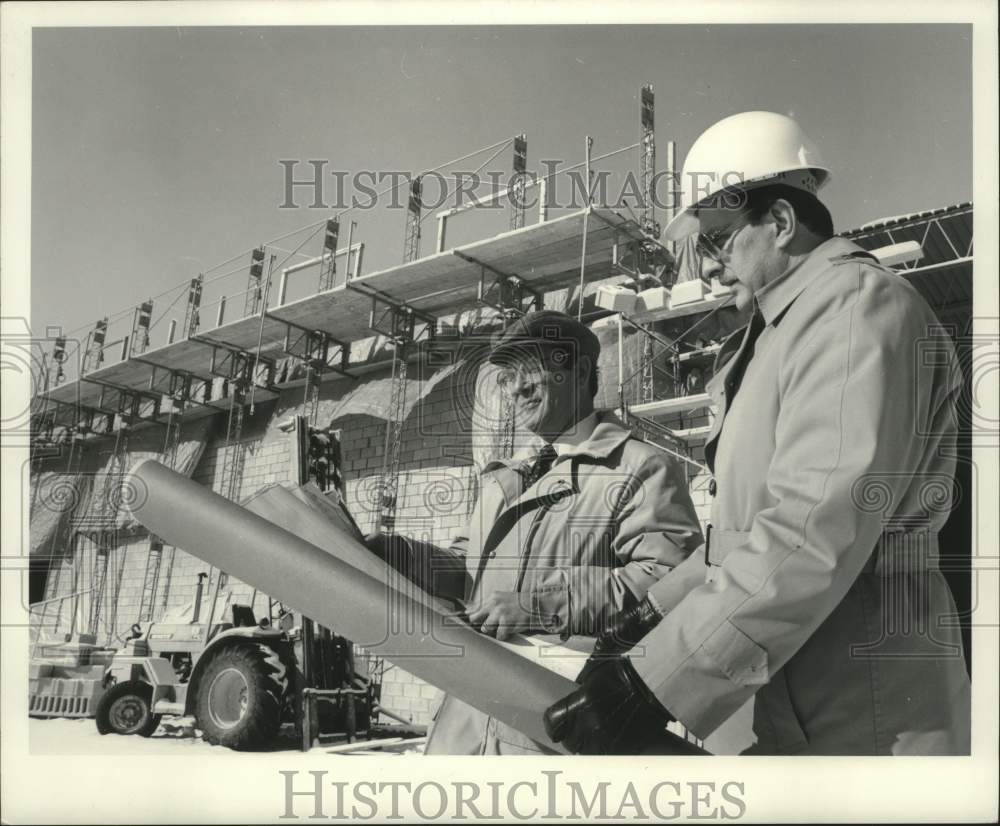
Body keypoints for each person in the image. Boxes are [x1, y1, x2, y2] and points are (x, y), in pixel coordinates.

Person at [544, 111, 971, 756]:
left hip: (874, 711)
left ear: (779, 222)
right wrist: (654, 611)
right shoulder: (778, 334)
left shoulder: (855, 307)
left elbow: (814, 525)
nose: (709, 267)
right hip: (797, 696)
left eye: (717, 240)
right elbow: (743, 536)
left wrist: (654, 682)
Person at [368, 309, 703, 754]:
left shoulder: (638, 468)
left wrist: (541, 606)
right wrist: (401, 556)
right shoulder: (505, 479)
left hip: (553, 731)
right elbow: (470, 573)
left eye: (534, 369)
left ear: (580, 371)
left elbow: (668, 583)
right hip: (466, 725)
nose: (518, 388)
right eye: (508, 376)